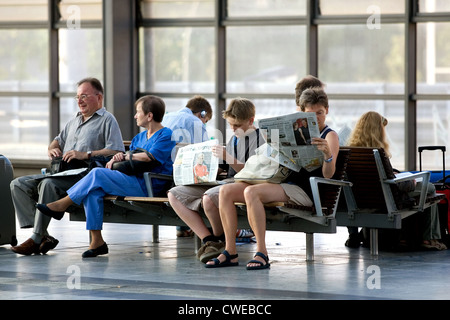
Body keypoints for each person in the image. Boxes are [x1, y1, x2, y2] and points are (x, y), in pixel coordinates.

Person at [206, 87, 339, 269]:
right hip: (282, 182)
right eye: (310, 114)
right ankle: (230, 251)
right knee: (226, 191)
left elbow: (328, 175)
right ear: (301, 112)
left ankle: (262, 252)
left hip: (306, 190)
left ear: (327, 111)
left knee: (252, 192)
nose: (316, 118)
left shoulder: (329, 136)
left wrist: (328, 155)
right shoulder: (297, 129)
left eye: (320, 113)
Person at [35, 95, 176, 258]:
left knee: (96, 174)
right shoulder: (139, 137)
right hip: (131, 180)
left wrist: (126, 156)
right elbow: (129, 157)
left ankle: (63, 204)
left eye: (138, 112)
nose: (135, 116)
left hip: (148, 185)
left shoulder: (165, 134)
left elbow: (150, 157)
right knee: (93, 191)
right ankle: (97, 242)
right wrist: (118, 157)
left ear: (149, 115)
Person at [10, 77, 125, 256]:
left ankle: (36, 238)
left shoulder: (107, 120)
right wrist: (52, 148)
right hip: (61, 172)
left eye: (85, 96)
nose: (79, 101)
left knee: (48, 185)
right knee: (17, 184)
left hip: (84, 176)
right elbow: (57, 141)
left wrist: (86, 154)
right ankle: (44, 235)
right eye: (78, 97)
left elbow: (116, 150)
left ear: (99, 98)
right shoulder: (74, 121)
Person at [167, 98, 265, 263]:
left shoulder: (259, 139)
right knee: (175, 194)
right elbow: (228, 168)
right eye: (231, 125)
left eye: (237, 125)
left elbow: (252, 173)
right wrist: (209, 167)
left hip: (245, 184)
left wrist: (227, 156)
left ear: (250, 121)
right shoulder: (235, 138)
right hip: (224, 182)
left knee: (209, 198)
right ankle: (209, 240)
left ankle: (220, 240)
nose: (233, 129)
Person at [344, 111, 447, 250]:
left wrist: (394, 173)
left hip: (361, 200)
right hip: (387, 200)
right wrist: (411, 182)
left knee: (426, 191)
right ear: (378, 130)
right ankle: (429, 239)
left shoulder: (350, 153)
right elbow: (392, 185)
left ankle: (356, 235)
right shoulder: (378, 153)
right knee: (429, 188)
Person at [162, 95, 213, 237]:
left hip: (160, 172)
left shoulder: (166, 117)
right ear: (202, 114)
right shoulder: (196, 122)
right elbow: (202, 153)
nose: (204, 124)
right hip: (177, 177)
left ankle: (183, 227)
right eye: (206, 120)